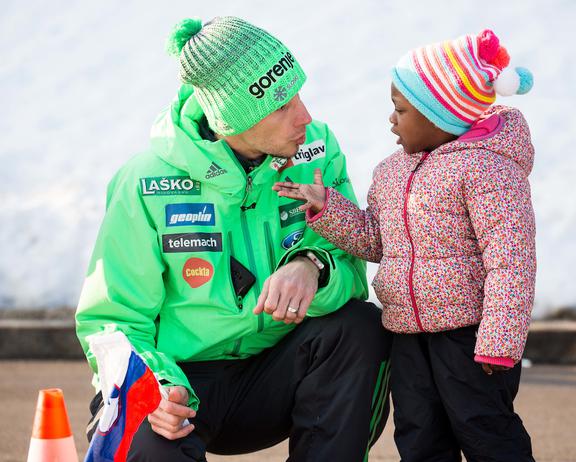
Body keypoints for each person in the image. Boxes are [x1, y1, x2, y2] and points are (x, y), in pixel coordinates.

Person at [75, 16, 391, 462]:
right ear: (231, 121)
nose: (305, 117)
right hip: (179, 386)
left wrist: (312, 267)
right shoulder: (144, 183)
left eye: (299, 94)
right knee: (141, 431)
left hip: (274, 374)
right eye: (282, 107)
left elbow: (351, 267)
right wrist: (156, 389)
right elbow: (113, 320)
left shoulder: (316, 149)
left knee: (360, 328)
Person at [274, 29, 536, 461]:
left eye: (400, 110)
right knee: (419, 435)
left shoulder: (490, 170)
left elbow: (511, 262)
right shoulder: (393, 173)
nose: (391, 121)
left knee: (484, 430)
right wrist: (327, 207)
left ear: (443, 115)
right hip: (408, 335)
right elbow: (377, 241)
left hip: (469, 338)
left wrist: (499, 340)